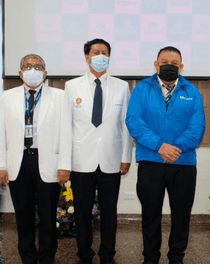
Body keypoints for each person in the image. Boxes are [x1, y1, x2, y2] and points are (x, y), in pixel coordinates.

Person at [125, 46, 205, 264]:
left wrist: (175, 149)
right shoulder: (142, 89)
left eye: (174, 63)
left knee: (181, 216)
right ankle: (150, 258)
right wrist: (160, 146)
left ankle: (176, 257)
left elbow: (197, 127)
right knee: (150, 215)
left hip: (184, 163)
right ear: (155, 64)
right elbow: (134, 121)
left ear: (182, 67)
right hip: (151, 162)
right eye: (164, 61)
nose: (169, 66)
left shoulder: (192, 92)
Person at [61, 38, 133, 264]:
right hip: (81, 162)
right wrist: (65, 162)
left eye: (105, 52)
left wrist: (125, 157)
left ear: (109, 57)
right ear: (87, 57)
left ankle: (107, 255)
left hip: (111, 161)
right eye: (96, 52)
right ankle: (84, 255)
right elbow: (65, 127)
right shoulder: (72, 86)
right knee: (81, 213)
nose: (101, 56)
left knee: (109, 213)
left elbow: (127, 125)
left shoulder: (122, 86)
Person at [0, 54, 70, 264]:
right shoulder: (7, 97)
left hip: (48, 163)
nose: (32, 70)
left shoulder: (60, 96)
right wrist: (0, 166)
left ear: (45, 73)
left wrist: (65, 165)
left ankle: (47, 258)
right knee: (23, 218)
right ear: (20, 73)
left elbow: (66, 133)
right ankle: (27, 258)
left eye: (37, 67)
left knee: (48, 218)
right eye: (28, 66)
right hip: (18, 164)